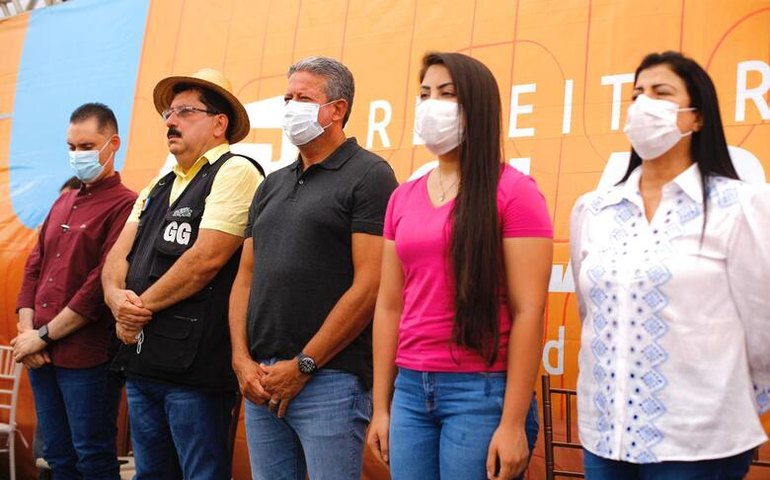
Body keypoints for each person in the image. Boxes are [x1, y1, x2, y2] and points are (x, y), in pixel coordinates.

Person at [569, 51, 769, 479]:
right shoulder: (595, 209)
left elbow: (763, 321)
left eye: (661, 93)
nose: (644, 104)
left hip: (697, 440)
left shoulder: (740, 206)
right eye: (637, 93)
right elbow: (591, 313)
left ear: (697, 117)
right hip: (606, 435)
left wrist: (735, 399)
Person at [366, 52, 553, 480]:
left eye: (447, 94)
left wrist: (511, 423)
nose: (432, 104)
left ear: (477, 107)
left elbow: (529, 311)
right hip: (411, 390)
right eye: (425, 94)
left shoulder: (514, 192)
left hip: (482, 391)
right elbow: (389, 304)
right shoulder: (404, 196)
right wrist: (382, 406)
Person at [228, 56, 398, 480]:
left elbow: (370, 285)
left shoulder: (370, 175)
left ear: (337, 109)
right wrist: (241, 361)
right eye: (287, 98)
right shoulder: (272, 183)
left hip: (330, 381)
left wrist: (305, 364)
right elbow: (245, 277)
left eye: (302, 97)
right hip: (261, 379)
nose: (290, 107)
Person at [101, 68, 263, 479]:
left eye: (185, 111)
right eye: (169, 113)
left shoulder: (235, 170)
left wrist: (136, 309)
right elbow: (116, 257)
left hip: (195, 372)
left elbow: (206, 259)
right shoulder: (159, 182)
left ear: (218, 123)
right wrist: (117, 300)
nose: (170, 121)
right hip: (143, 361)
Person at [13, 102, 137, 479]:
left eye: (86, 147)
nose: (77, 155)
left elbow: (99, 286)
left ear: (112, 143)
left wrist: (43, 336)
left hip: (87, 360)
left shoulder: (126, 205)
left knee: (93, 456)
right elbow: (35, 266)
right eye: (71, 147)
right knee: (56, 457)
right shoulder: (63, 200)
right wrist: (26, 333)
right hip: (41, 355)